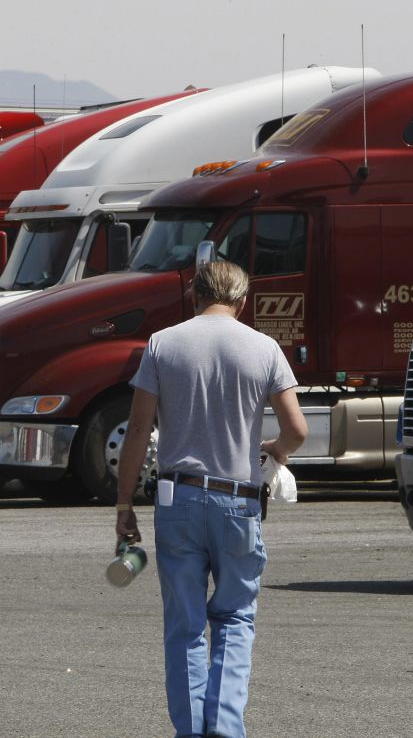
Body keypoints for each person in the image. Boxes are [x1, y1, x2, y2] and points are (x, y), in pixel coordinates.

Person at [114, 259, 308, 738]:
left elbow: (139, 429)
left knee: (185, 625)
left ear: (195, 295)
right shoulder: (263, 348)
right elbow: (297, 430)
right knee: (235, 618)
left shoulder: (163, 343)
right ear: (242, 302)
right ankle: (223, 728)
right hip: (238, 502)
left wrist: (123, 505)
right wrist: (276, 452)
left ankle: (191, 731)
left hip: (177, 499)